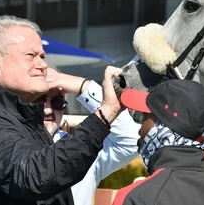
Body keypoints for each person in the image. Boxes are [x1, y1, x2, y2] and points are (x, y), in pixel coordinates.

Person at [0, 15, 124, 205]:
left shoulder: (22, 114)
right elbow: (36, 176)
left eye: (42, 56)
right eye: (30, 56)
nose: (42, 65)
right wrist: (104, 113)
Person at [41, 67, 139, 204]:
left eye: (57, 101)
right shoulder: (7, 142)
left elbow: (132, 139)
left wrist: (81, 85)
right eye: (40, 99)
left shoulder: (85, 145)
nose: (48, 110)